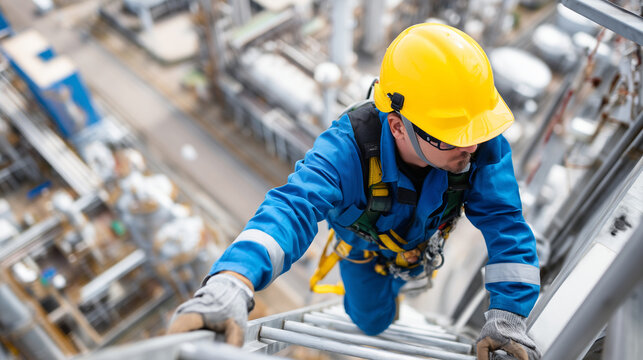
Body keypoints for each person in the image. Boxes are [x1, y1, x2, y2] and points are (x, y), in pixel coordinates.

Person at [167, 23, 541, 360]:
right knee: (371, 322)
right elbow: (293, 206)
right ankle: (382, 305)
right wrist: (233, 279)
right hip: (364, 254)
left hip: (419, 249)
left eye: (476, 134)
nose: (472, 148)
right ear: (398, 127)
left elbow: (505, 222)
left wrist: (509, 314)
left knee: (389, 305)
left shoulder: (478, 144)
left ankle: (396, 295)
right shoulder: (347, 151)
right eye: (457, 138)